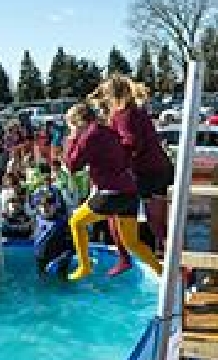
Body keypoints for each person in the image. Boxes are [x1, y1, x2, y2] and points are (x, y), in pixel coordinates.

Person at [63, 103, 162, 280]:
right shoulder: (107, 131)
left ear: (78, 122)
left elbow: (72, 165)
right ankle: (163, 272)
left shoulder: (89, 135)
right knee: (132, 243)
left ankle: (84, 267)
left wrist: (72, 138)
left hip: (111, 192)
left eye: (71, 125)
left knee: (76, 222)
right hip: (130, 192)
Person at [101, 75, 175, 260]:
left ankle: (174, 260)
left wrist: (116, 163)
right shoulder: (135, 111)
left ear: (113, 96)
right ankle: (171, 257)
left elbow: (132, 143)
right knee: (157, 222)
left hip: (150, 172)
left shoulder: (125, 114)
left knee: (156, 222)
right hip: (157, 169)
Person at [34, 193, 74, 280]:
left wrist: (57, 261)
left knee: (62, 281)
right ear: (39, 207)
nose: (45, 208)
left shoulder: (63, 223)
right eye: (43, 206)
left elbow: (71, 248)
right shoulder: (38, 219)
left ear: (55, 206)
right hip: (41, 259)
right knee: (42, 281)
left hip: (59, 260)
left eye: (49, 206)